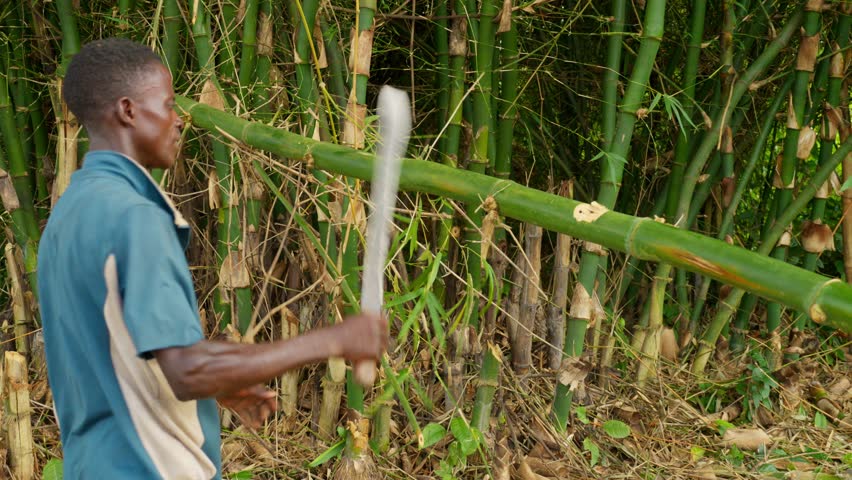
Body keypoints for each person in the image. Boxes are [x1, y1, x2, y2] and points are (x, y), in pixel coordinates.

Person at [36, 38, 387, 479]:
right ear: (127, 111)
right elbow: (187, 370)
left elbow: (118, 352)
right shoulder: (136, 218)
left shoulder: (69, 214)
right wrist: (333, 340)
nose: (178, 119)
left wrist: (221, 386)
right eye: (166, 104)